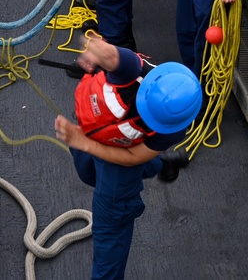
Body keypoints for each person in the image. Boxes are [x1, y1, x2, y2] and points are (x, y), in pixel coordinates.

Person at [55, 36, 201, 280]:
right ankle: (160, 164)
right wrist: (92, 51)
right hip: (94, 128)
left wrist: (84, 142)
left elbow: (133, 156)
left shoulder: (173, 126)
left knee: (110, 229)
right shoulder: (132, 68)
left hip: (118, 164)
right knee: (86, 170)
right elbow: (102, 49)